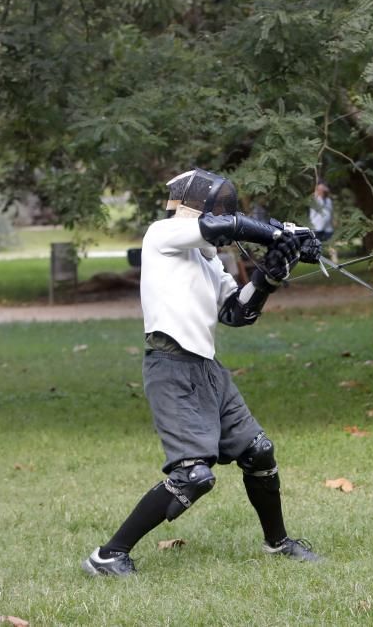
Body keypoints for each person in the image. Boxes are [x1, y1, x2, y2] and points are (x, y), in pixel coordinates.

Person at [82, 169, 324, 576]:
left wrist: (272, 273)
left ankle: (278, 544)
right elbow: (219, 226)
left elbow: (237, 312)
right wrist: (280, 233)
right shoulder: (162, 234)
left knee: (258, 452)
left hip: (208, 369)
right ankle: (108, 555)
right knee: (193, 476)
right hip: (170, 367)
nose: (224, 209)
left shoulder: (208, 261)